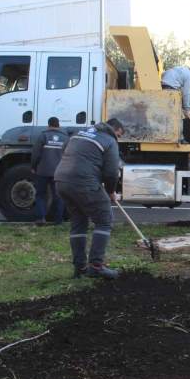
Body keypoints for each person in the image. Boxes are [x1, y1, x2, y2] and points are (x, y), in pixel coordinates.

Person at [54, 119, 125, 280]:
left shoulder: (79, 134)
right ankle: (96, 266)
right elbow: (112, 172)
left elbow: (65, 151)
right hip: (83, 181)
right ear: (115, 130)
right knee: (104, 219)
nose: (118, 138)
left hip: (61, 180)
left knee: (78, 222)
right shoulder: (109, 140)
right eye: (119, 135)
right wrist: (111, 191)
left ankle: (80, 267)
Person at [31, 117, 68, 226]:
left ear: (48, 125)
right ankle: (58, 220)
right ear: (58, 125)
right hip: (59, 172)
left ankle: (41, 218)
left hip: (43, 171)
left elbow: (36, 153)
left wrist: (33, 166)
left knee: (41, 195)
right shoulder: (65, 138)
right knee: (59, 196)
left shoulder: (43, 136)